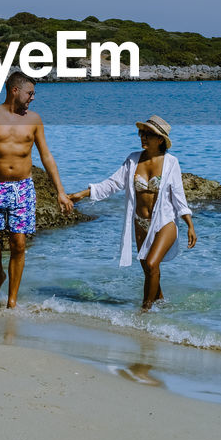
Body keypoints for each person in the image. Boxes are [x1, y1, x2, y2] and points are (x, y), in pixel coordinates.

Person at [68, 114, 197, 311]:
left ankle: (143, 312)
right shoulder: (133, 159)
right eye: (141, 133)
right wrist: (82, 194)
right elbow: (112, 184)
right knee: (148, 269)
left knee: (152, 264)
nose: (142, 137)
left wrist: (189, 225)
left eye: (148, 134)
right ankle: (161, 304)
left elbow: (179, 196)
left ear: (160, 139)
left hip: (165, 222)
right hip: (140, 222)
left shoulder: (171, 163)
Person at [0, 70, 73, 308]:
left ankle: (12, 302)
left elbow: (46, 156)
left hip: (22, 188)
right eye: (30, 93)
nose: (33, 98)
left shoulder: (34, 120)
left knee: (19, 244)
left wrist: (60, 191)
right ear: (15, 90)